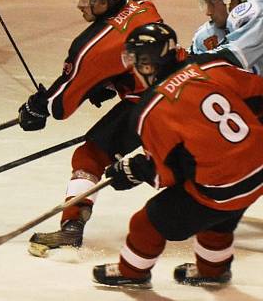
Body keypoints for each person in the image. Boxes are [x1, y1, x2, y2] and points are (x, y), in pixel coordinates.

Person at [93, 22, 263, 288]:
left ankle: (133, 272)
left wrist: (134, 169)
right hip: (259, 171)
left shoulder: (151, 110)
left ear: (147, 64)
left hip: (221, 187)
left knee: (147, 221)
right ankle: (212, 269)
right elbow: (257, 95)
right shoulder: (211, 67)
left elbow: (167, 176)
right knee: (219, 218)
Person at [18, 0, 164, 257]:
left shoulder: (91, 47)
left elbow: (60, 106)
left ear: (105, 0)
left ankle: (72, 227)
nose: (80, 4)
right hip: (180, 88)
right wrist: (110, 83)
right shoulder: (141, 6)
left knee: (89, 156)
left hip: (150, 105)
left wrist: (37, 107)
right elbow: (137, 57)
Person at [190, 0, 263, 75]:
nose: (208, 12)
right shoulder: (206, 34)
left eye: (212, 3)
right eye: (206, 4)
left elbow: (235, 56)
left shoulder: (256, 11)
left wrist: (190, 62)